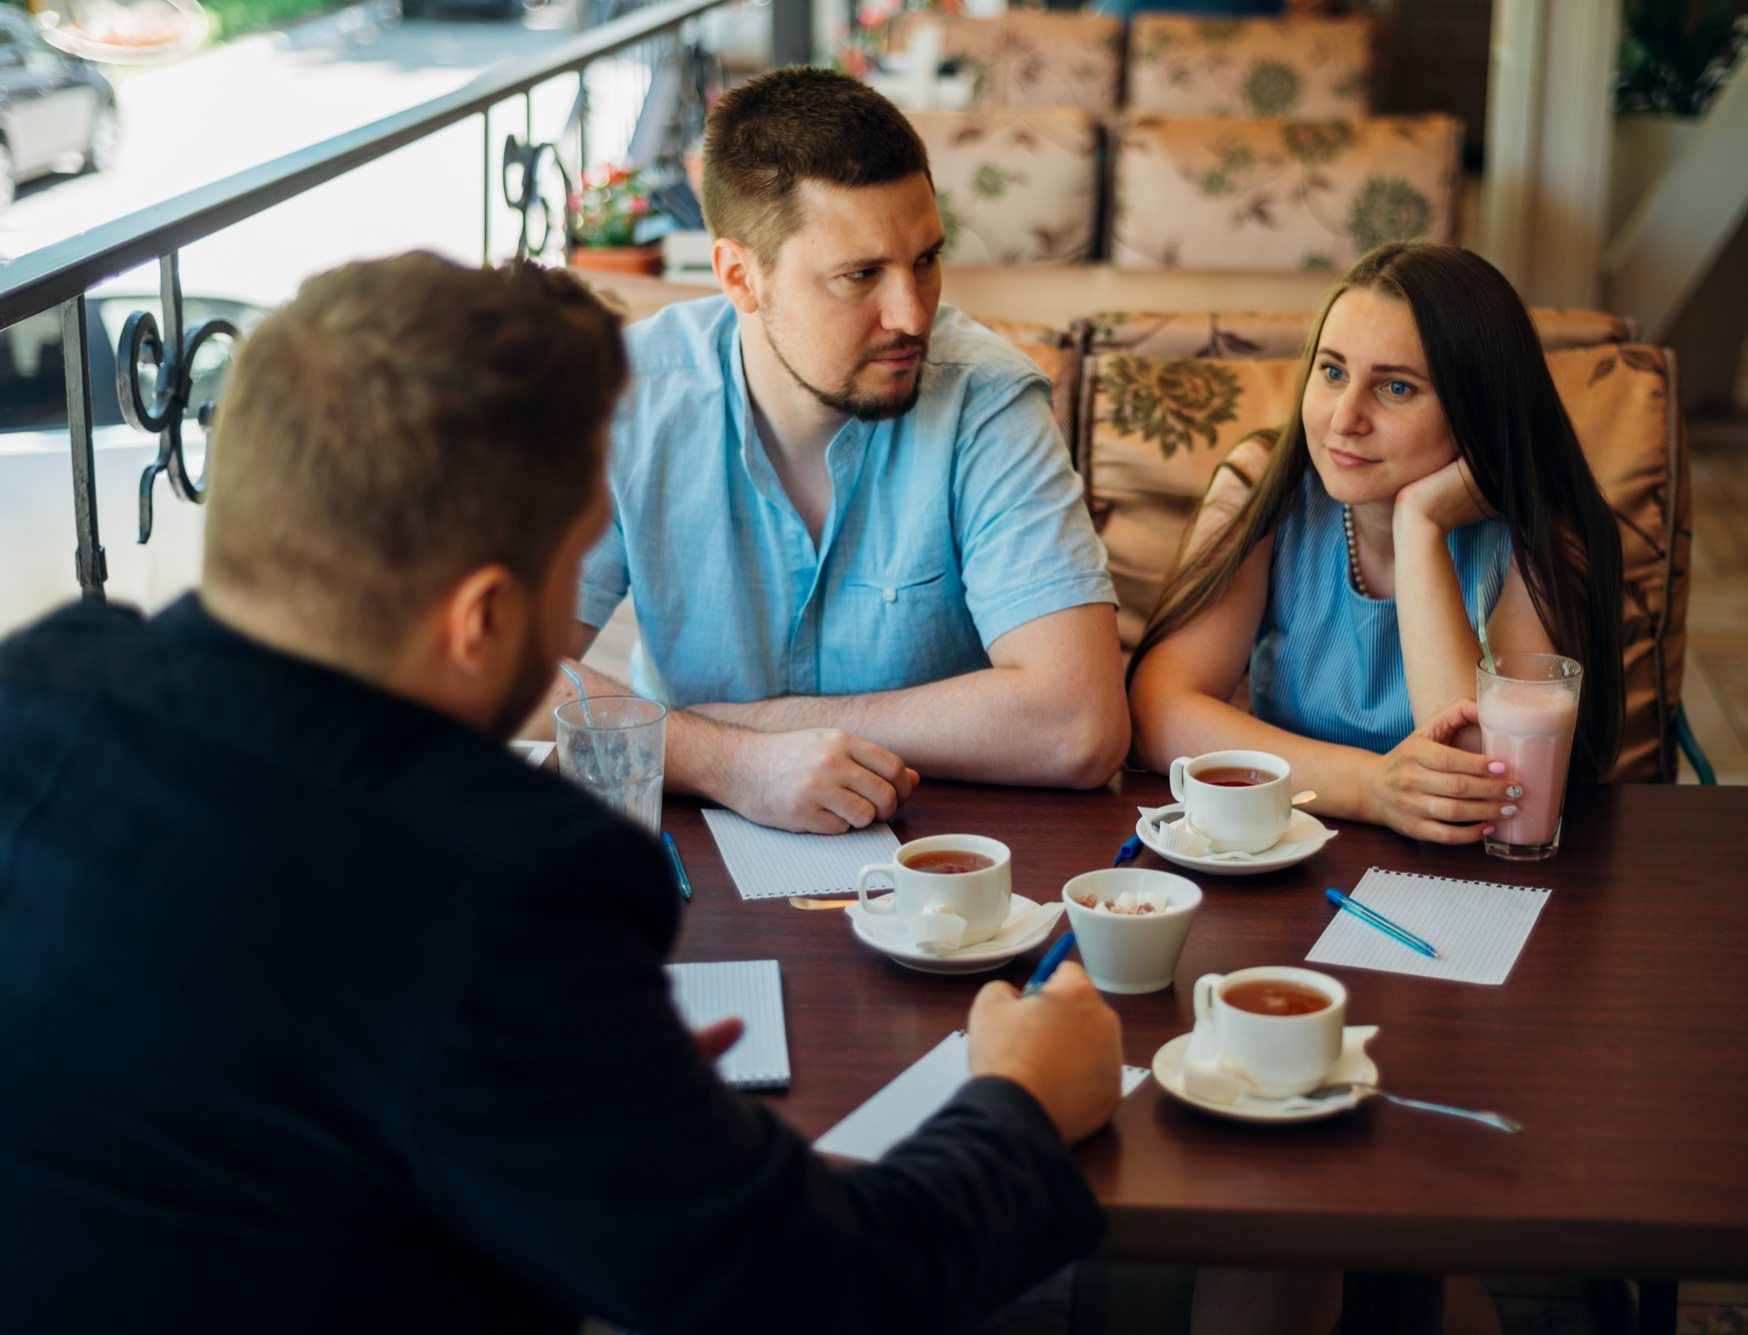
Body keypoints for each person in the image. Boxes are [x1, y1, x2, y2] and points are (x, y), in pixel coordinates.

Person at [0, 254, 1126, 1332]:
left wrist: (584, 1082)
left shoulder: (35, 691)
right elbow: (826, 1290)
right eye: (574, 565)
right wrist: (1021, 1103)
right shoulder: (508, 891)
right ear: (484, 621)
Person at [548, 67, 1128, 836]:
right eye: (861, 275)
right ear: (739, 276)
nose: (913, 312)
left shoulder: (984, 399)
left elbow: (1080, 723)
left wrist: (770, 725)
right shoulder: (628, 397)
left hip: (945, 857)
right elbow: (497, 672)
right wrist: (729, 761)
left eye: (925, 258)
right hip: (699, 843)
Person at [1127, 243, 1624, 844]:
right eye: (1333, 372)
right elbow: (1159, 711)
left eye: (1395, 388)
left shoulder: (1539, 535)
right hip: (1293, 852)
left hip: (1473, 884)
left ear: (1478, 409)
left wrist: (1420, 526)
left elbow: (1493, 786)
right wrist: (1369, 787)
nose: (1344, 419)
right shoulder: (1266, 483)